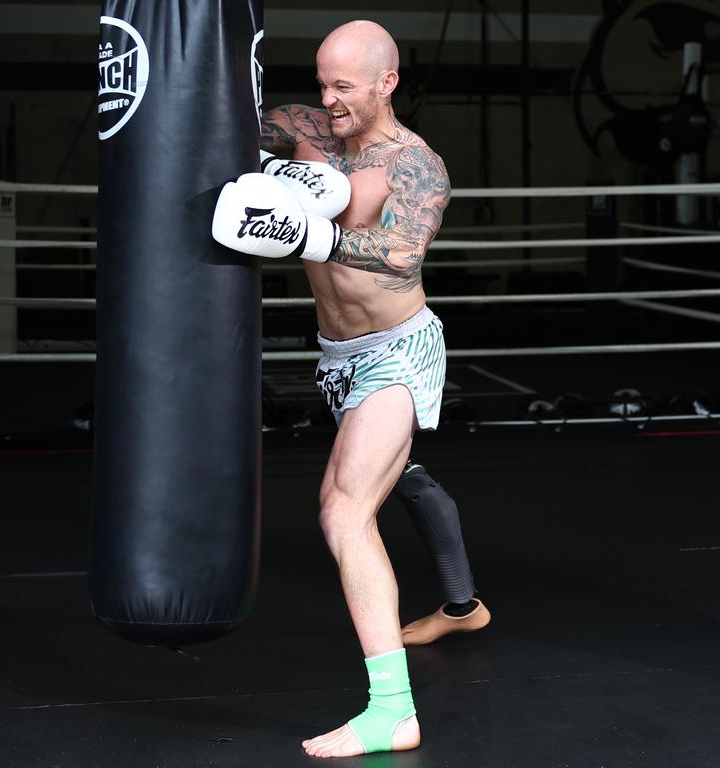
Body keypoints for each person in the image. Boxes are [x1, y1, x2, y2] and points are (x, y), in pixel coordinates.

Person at [213, 19, 488, 758]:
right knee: (408, 480)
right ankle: (464, 606)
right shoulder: (310, 129)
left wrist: (311, 232)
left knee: (343, 510)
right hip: (339, 358)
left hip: (400, 351)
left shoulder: (416, 164)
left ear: (387, 82)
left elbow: (401, 257)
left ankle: (392, 711)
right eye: (322, 82)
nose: (328, 100)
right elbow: (231, 122)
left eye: (345, 86)